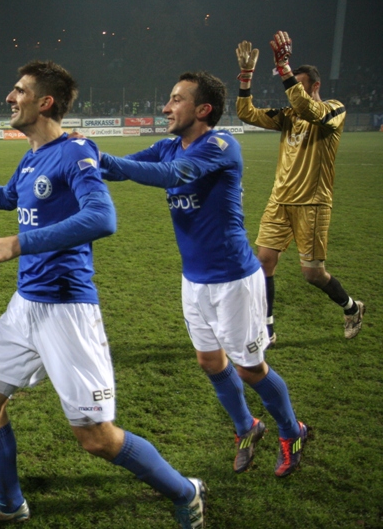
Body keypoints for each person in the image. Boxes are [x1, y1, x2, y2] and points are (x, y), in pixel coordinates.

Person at [0, 60, 206, 528]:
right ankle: (10, 504)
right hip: (26, 303)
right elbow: (9, 198)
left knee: (96, 438)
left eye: (18, 90)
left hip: (67, 308)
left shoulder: (74, 152)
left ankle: (184, 491)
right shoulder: (31, 155)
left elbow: (102, 218)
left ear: (44, 102)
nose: (10, 98)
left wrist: (16, 243)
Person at [98, 71, 309, 477]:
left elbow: (171, 175)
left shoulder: (220, 145)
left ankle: (291, 430)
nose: (166, 107)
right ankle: (247, 428)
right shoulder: (170, 145)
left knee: (249, 367)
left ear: (202, 109)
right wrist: (83, 155)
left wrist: (101, 160)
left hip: (233, 280)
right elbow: (122, 169)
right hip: (194, 280)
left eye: (176, 99)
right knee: (210, 361)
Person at [235, 31, 365, 342]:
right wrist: (245, 77)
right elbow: (246, 112)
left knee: (312, 274)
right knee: (264, 261)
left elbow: (309, 109)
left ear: (315, 86)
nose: (291, 92)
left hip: (312, 202)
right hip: (280, 200)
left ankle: (351, 307)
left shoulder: (333, 110)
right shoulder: (289, 117)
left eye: (298, 84)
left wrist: (284, 68)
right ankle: (267, 330)